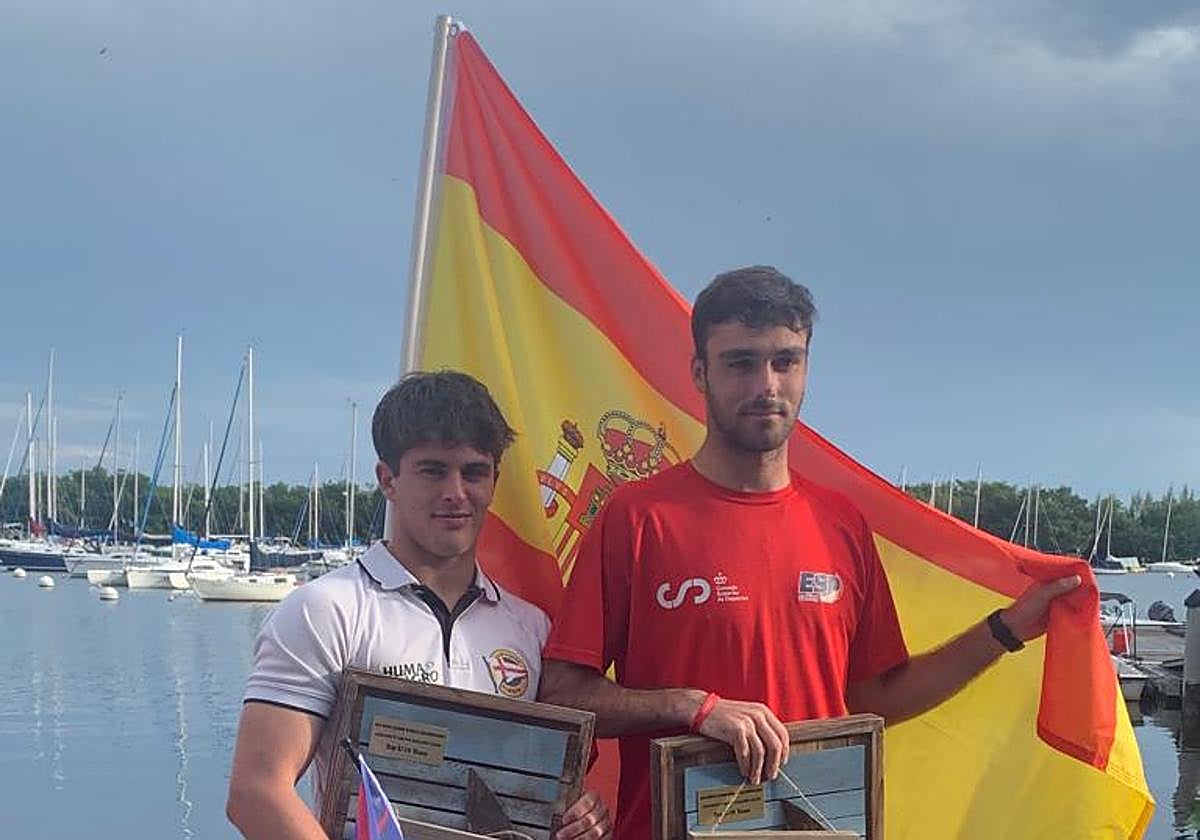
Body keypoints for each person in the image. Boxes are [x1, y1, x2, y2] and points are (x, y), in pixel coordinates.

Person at [538, 265, 1080, 840]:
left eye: (785, 361)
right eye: (741, 363)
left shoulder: (840, 523)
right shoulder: (637, 517)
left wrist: (1005, 630)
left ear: (805, 369)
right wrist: (691, 707)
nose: (766, 385)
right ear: (699, 372)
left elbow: (875, 697)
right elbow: (563, 696)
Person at [226, 371, 610, 840]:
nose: (456, 492)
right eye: (433, 470)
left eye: (474, 472)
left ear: (494, 481)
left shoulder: (530, 627)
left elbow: (535, 791)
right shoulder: (325, 610)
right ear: (387, 480)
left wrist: (579, 817)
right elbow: (257, 793)